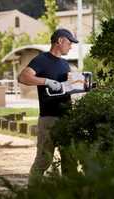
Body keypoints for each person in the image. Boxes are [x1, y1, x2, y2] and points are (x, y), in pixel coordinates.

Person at [18, 28, 84, 184]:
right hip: (49, 119)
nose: (71, 46)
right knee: (44, 160)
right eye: (69, 43)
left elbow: (67, 87)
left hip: (67, 119)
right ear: (60, 41)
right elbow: (23, 77)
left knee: (69, 160)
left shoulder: (64, 64)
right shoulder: (42, 60)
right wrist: (46, 81)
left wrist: (81, 85)